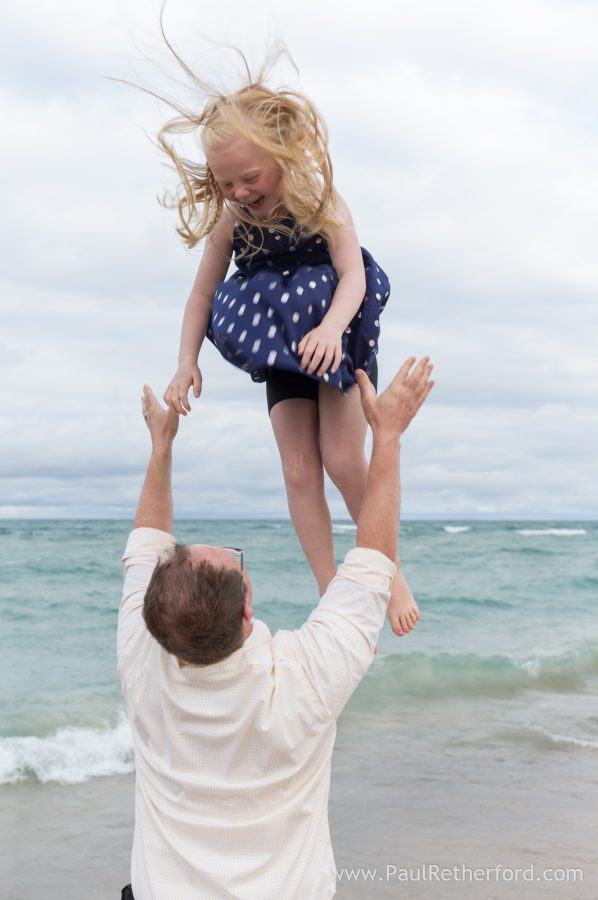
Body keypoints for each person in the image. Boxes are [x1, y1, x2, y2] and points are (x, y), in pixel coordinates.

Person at [118, 356, 433, 900]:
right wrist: (388, 436)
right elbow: (374, 561)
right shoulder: (301, 680)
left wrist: (161, 446)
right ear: (248, 610)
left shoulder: (144, 659)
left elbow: (147, 538)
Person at [159, 71, 419, 637]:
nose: (240, 194)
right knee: (299, 471)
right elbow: (201, 293)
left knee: (344, 461)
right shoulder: (233, 220)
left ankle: (390, 575)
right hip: (280, 347)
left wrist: (330, 329)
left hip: (335, 336)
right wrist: (186, 360)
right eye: (226, 184)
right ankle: (333, 595)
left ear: (282, 153)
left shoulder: (320, 198)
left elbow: (352, 274)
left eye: (249, 178)